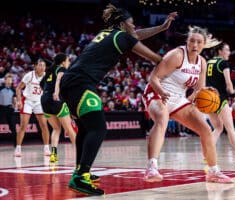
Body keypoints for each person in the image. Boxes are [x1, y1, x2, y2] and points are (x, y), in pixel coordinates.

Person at [59, 4, 177, 195]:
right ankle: (80, 176)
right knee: (98, 128)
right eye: (131, 24)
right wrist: (173, 62)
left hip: (71, 82)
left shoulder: (110, 33)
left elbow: (135, 35)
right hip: (80, 82)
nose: (134, 26)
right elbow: (155, 58)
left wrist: (162, 28)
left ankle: (80, 172)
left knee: (85, 128)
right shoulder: (121, 36)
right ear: (123, 24)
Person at [142, 26, 233, 183]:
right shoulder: (177, 55)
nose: (195, 45)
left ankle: (213, 172)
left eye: (199, 42)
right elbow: (153, 78)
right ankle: (152, 168)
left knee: (205, 129)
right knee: (162, 119)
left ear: (204, 44)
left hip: (178, 98)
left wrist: (207, 93)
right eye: (192, 41)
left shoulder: (202, 63)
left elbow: (198, 90)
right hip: (157, 92)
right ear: (187, 41)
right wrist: (162, 93)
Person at [205, 42, 235, 164]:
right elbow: (228, 83)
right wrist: (233, 95)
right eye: (227, 50)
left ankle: (207, 154)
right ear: (220, 51)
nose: (229, 52)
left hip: (208, 98)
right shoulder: (223, 63)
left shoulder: (208, 62)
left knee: (217, 128)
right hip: (220, 98)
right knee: (230, 128)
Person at [40, 53, 76, 163]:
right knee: (69, 129)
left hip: (44, 100)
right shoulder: (61, 69)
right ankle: (80, 153)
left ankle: (53, 155)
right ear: (63, 62)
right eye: (68, 60)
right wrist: (56, 92)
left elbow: (41, 84)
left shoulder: (49, 70)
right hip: (55, 100)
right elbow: (59, 79)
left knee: (56, 129)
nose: (69, 63)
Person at [14, 59, 51, 157]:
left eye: (44, 65)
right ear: (35, 66)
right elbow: (18, 88)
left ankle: (47, 148)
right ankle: (18, 149)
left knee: (44, 125)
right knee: (23, 126)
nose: (42, 67)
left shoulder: (46, 76)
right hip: (27, 101)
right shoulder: (29, 75)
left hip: (39, 102)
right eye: (40, 65)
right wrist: (18, 101)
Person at [0, 73, 17, 146]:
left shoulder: (13, 90)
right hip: (1, 108)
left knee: (13, 126)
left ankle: (16, 144)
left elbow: (14, 99)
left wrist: (15, 106)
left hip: (10, 109)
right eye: (8, 79)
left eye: (11, 79)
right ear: (5, 80)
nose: (10, 81)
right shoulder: (0, 88)